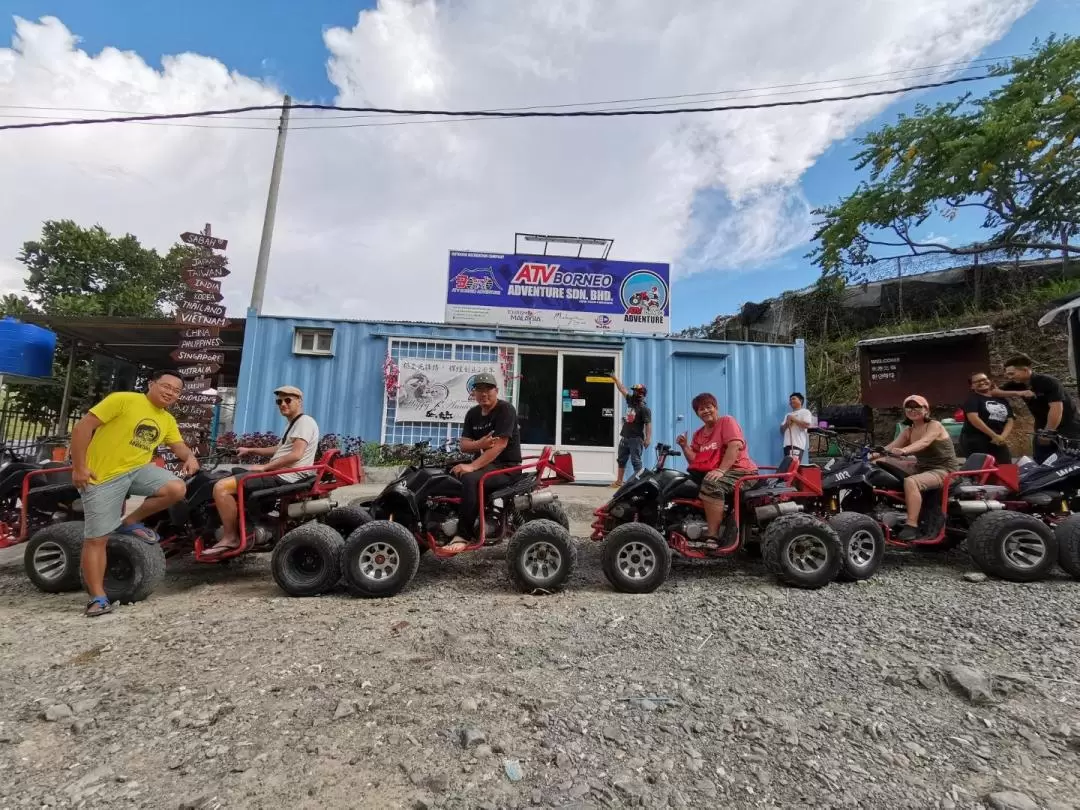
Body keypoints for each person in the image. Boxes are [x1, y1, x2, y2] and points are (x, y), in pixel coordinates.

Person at [69, 370, 198, 617]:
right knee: (97, 539)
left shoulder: (166, 419)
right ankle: (97, 598)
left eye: (176, 390)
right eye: (166, 386)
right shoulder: (123, 400)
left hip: (136, 471)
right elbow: (82, 428)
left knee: (176, 488)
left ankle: (130, 520)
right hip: (101, 476)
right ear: (151, 384)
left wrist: (190, 457)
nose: (170, 392)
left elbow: (178, 445)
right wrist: (79, 467)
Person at [206, 385, 320, 557]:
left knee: (221, 487)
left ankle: (230, 537)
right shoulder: (294, 424)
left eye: (288, 400)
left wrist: (265, 467)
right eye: (279, 401)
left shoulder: (304, 422)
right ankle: (245, 524)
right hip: (284, 474)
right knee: (234, 473)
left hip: (285, 476)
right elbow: (280, 449)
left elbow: (296, 454)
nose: (283, 404)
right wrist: (251, 451)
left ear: (299, 401)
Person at [447, 372, 522, 552]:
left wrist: (472, 466)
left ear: (496, 390)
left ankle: (464, 535)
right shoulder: (473, 414)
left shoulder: (506, 410)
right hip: (488, 464)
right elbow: (464, 445)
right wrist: (480, 444)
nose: (484, 394)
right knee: (447, 473)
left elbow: (500, 446)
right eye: (479, 389)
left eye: (488, 389)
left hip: (507, 467)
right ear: (473, 393)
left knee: (471, 479)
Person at [873, 394, 959, 542]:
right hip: (922, 468)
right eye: (909, 407)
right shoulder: (908, 431)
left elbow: (924, 442)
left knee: (911, 482)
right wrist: (867, 456)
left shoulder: (935, 426)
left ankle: (911, 526)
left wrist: (905, 451)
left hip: (944, 470)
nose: (913, 410)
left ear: (926, 410)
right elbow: (889, 448)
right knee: (878, 464)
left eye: (917, 407)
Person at [676, 393, 758, 546]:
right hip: (721, 471)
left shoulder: (727, 421)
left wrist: (721, 470)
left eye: (709, 407)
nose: (706, 411)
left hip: (740, 471)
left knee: (711, 484)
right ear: (697, 413)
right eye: (701, 409)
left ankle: (712, 536)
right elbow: (696, 461)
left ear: (716, 408)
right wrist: (684, 446)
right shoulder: (699, 434)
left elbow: (735, 446)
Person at [993, 354, 1080, 463]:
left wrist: (1048, 432)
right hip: (1041, 426)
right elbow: (994, 392)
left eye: (1012, 373)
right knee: (1042, 460)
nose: (1009, 377)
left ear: (1025, 370)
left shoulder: (1048, 382)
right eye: (1007, 374)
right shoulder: (1017, 384)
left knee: (1069, 461)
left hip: (1067, 427)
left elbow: (1056, 409)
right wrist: (1019, 392)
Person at [960, 372, 1014, 464]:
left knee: (1005, 466)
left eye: (984, 379)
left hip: (998, 440)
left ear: (990, 381)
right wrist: (993, 435)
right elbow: (974, 419)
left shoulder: (1001, 400)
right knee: (980, 469)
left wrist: (1002, 437)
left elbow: (1010, 420)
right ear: (972, 387)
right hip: (977, 440)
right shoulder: (972, 399)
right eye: (977, 382)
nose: (981, 382)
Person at [610, 374, 652, 487]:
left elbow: (648, 424)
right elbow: (622, 389)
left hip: (636, 439)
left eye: (638, 392)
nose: (635, 393)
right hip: (625, 437)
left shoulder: (645, 409)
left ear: (643, 394)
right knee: (621, 460)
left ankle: (639, 483)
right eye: (634, 391)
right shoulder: (630, 401)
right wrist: (615, 379)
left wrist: (648, 439)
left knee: (636, 461)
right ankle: (619, 482)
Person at [780, 392, 814, 459]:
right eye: (790, 400)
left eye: (793, 399)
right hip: (787, 445)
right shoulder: (787, 415)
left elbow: (806, 425)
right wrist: (787, 423)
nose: (791, 401)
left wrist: (793, 419)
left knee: (793, 467)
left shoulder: (805, 412)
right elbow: (781, 430)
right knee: (788, 468)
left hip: (797, 445)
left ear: (800, 401)